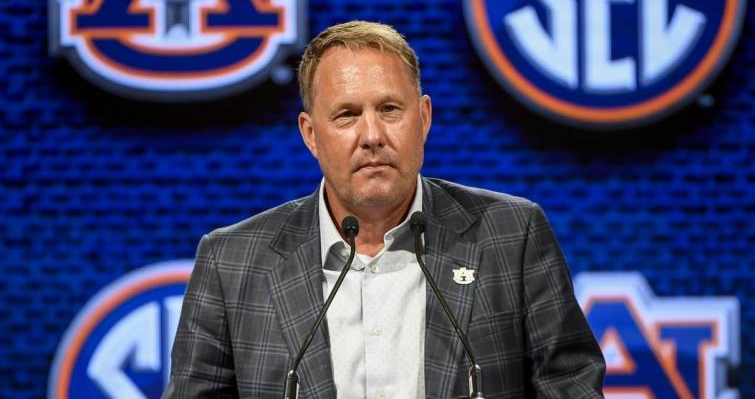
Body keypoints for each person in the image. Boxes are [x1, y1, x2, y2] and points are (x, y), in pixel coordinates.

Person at [164, 21, 604, 398]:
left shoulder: (510, 235)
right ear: (310, 133)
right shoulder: (232, 262)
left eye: (390, 109)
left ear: (424, 118)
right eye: (347, 115)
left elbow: (571, 386)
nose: (372, 135)